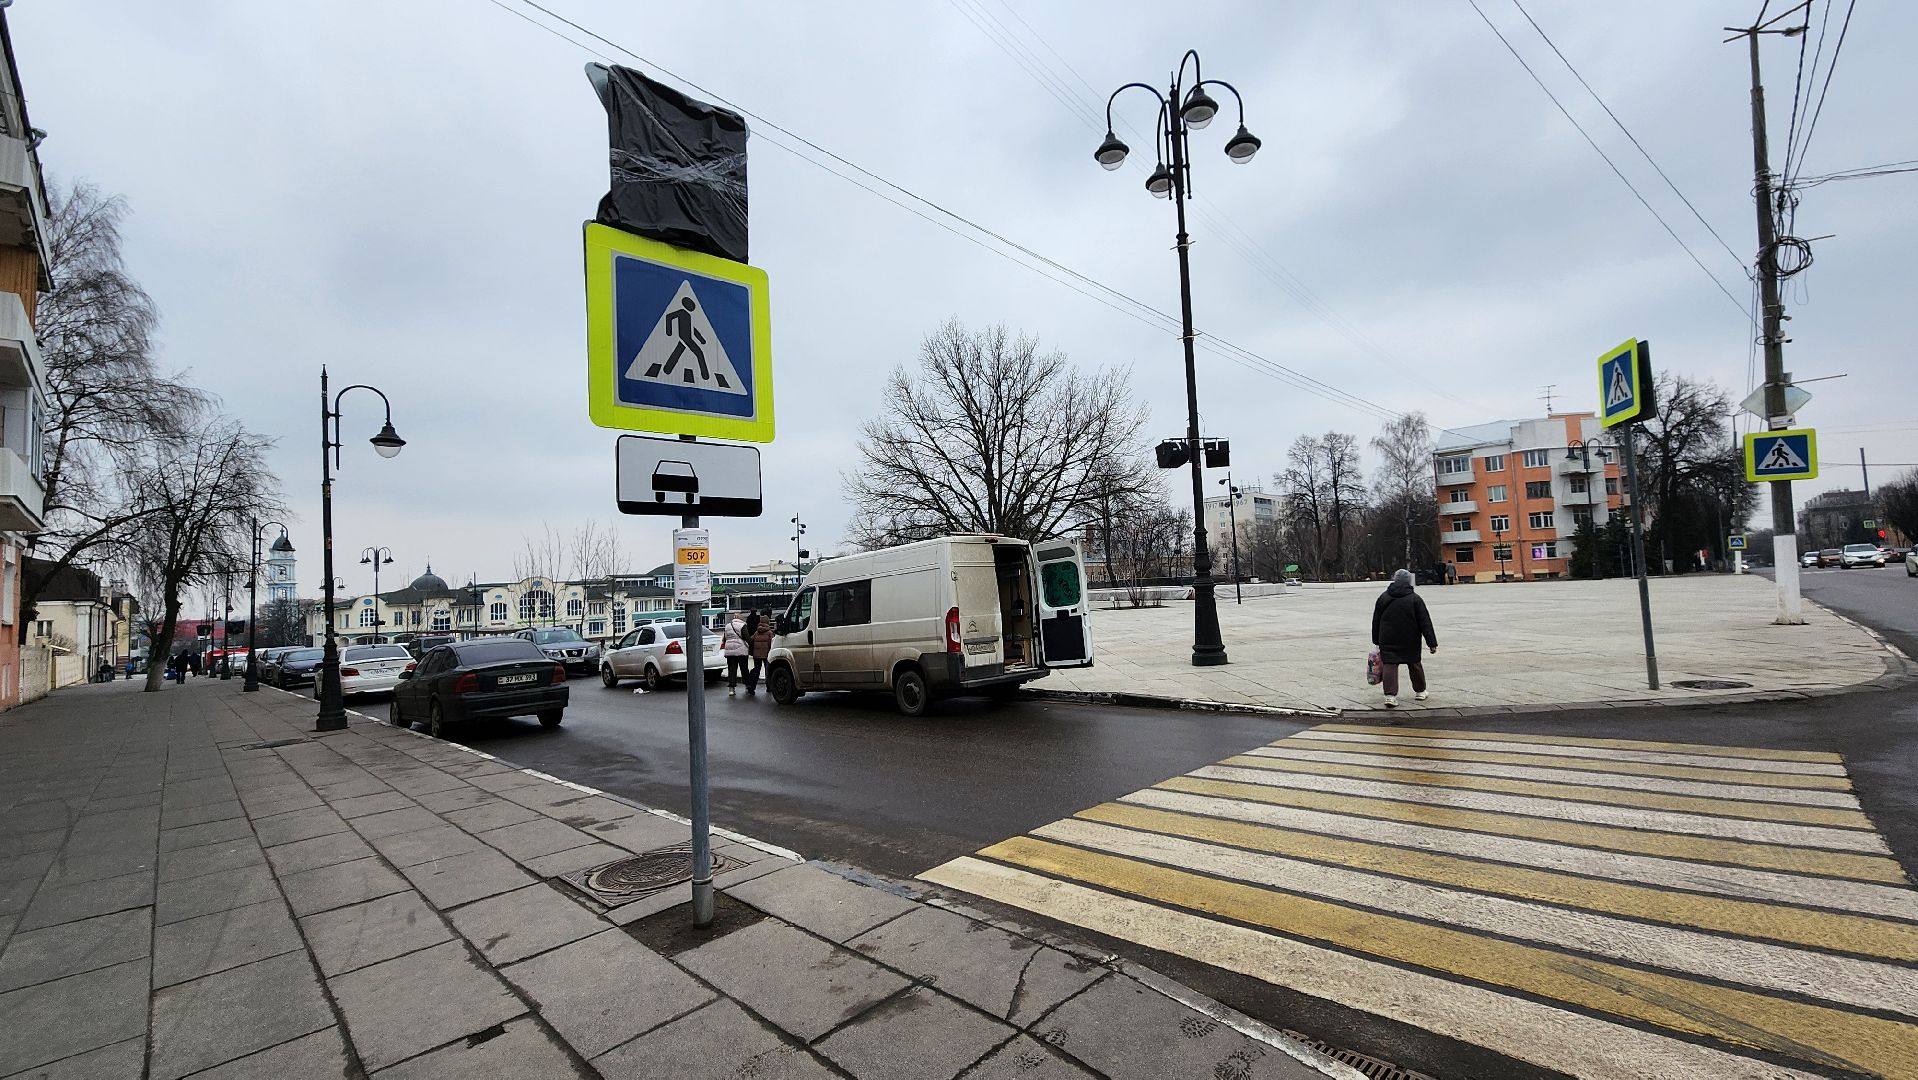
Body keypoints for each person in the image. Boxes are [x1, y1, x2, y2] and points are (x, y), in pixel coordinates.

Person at [1371, 568, 1437, 709]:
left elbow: (1376, 620)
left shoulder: (1383, 597)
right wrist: (1432, 643)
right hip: (1410, 638)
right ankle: (1420, 691)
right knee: (1414, 664)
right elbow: (1425, 622)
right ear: (1408, 581)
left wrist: (1376, 640)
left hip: (1387, 637)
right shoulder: (1415, 599)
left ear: (1394, 580)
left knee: (1390, 664)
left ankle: (1390, 695)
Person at [720, 612, 751, 696]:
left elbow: (725, 638)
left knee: (732, 670)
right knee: (744, 669)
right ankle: (747, 686)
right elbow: (746, 637)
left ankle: (731, 689)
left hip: (730, 651)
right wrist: (751, 646)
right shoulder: (742, 625)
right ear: (740, 618)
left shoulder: (727, 626)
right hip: (741, 650)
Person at [748, 608, 774, 695]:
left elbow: (750, 640)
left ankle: (752, 687)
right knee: (768, 671)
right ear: (767, 622)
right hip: (767, 655)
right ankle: (769, 687)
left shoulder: (756, 632)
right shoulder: (770, 633)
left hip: (756, 655)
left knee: (756, 670)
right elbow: (771, 644)